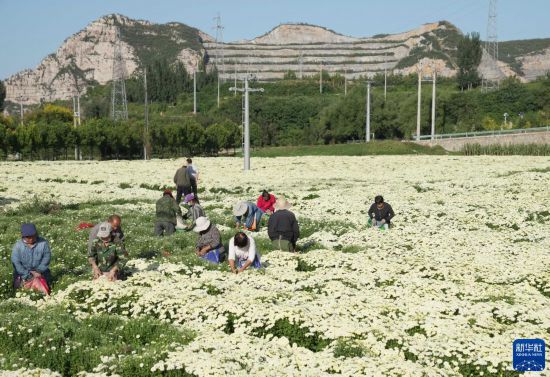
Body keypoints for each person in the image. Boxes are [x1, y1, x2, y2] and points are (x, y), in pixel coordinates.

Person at [11, 223, 52, 294]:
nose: (31, 239)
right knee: (21, 291)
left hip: (40, 272)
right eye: (28, 237)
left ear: (36, 234)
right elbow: (16, 262)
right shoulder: (18, 246)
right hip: (23, 273)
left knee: (43, 291)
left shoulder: (43, 243)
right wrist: (26, 275)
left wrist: (39, 271)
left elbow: (46, 258)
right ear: (23, 236)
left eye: (33, 236)